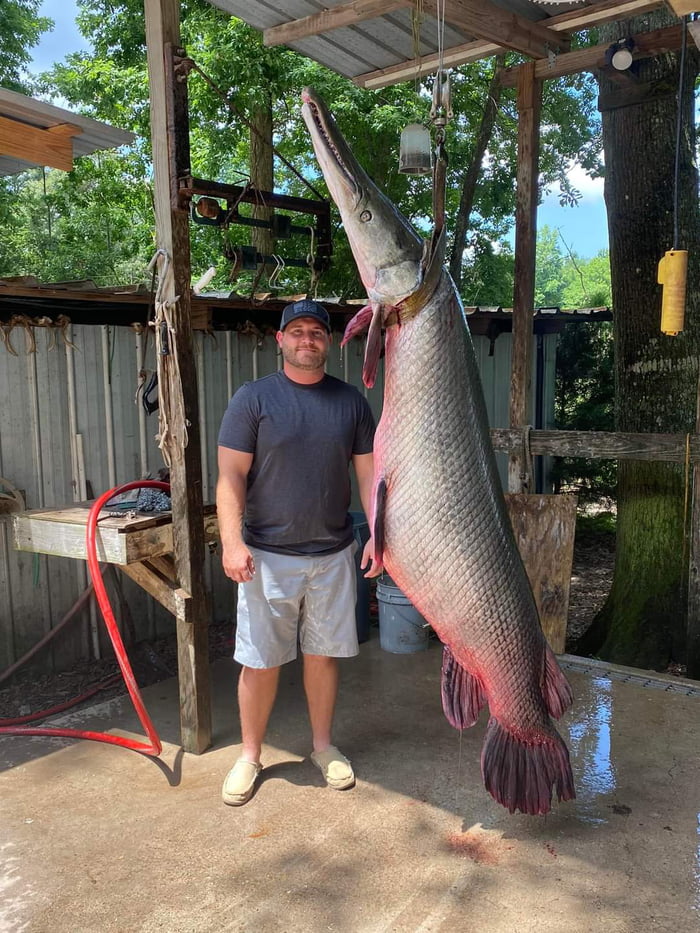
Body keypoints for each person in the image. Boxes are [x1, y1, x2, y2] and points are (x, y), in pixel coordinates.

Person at [216, 298, 381, 806]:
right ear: (280, 340)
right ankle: (249, 755)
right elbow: (230, 477)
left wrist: (378, 532)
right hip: (267, 555)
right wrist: (231, 541)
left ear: (328, 342)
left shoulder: (350, 401)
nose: (307, 340)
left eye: (316, 332)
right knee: (261, 661)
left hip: (333, 553)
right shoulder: (254, 399)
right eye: (298, 331)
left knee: (324, 656)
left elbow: (369, 474)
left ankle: (323, 747)